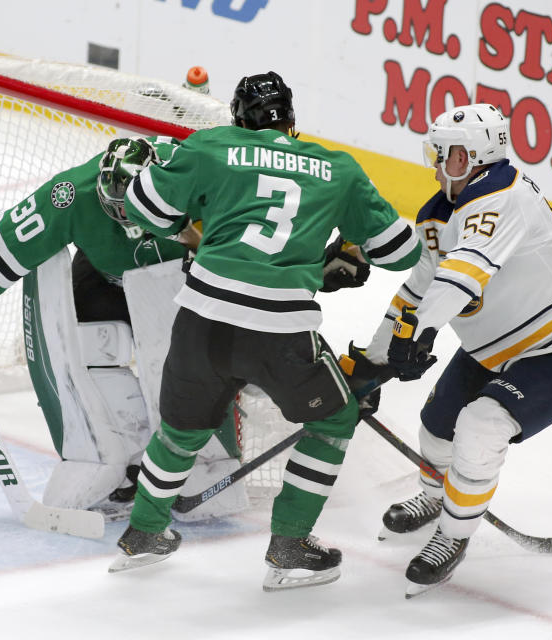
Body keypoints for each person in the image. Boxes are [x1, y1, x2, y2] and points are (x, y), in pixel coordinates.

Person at [107, 70, 422, 591]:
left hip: (201, 321)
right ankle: (289, 545)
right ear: (292, 122)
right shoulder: (336, 169)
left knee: (179, 434)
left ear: (238, 120)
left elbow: (145, 209)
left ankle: (143, 536)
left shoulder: (210, 147)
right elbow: (400, 251)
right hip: (279, 331)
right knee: (335, 419)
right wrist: (348, 242)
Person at [0, 135, 247, 521]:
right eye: (114, 209)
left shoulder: (197, 173)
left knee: (184, 367)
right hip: (108, 276)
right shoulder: (71, 195)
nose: (126, 220)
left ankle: (204, 466)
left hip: (184, 280)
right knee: (87, 348)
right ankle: (125, 462)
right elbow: (2, 245)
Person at [357, 103, 552, 597]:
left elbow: (464, 273)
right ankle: (436, 497)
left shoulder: (502, 195)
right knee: (436, 428)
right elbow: (418, 288)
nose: (436, 165)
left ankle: (451, 539)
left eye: (447, 155)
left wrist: (421, 332)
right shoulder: (441, 212)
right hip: (494, 347)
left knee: (481, 425)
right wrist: (374, 359)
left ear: (476, 156)